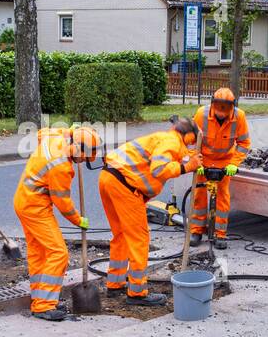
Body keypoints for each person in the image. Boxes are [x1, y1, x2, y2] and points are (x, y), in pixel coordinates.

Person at [99, 118, 200, 305]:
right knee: (139, 238)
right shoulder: (173, 142)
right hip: (124, 185)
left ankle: (115, 283)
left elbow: (171, 159)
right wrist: (186, 167)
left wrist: (189, 161)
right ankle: (137, 292)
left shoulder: (163, 138)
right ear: (188, 136)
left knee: (121, 235)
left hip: (108, 178)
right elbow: (158, 169)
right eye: (192, 140)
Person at [13, 127, 102, 322]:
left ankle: (39, 298)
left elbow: (40, 134)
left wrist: (72, 130)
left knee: (39, 252)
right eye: (84, 158)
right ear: (78, 150)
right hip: (35, 207)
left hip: (24, 200)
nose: (83, 162)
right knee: (58, 253)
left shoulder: (55, 137)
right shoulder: (61, 167)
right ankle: (44, 306)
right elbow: (63, 204)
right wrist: (79, 220)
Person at [190, 87, 251, 249]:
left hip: (225, 161)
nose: (221, 113)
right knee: (199, 195)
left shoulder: (239, 117)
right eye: (218, 109)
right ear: (213, 105)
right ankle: (196, 230)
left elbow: (244, 143)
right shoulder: (201, 114)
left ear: (232, 107)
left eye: (225, 110)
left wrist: (234, 164)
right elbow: (191, 141)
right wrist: (196, 161)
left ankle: (220, 234)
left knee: (222, 198)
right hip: (204, 159)